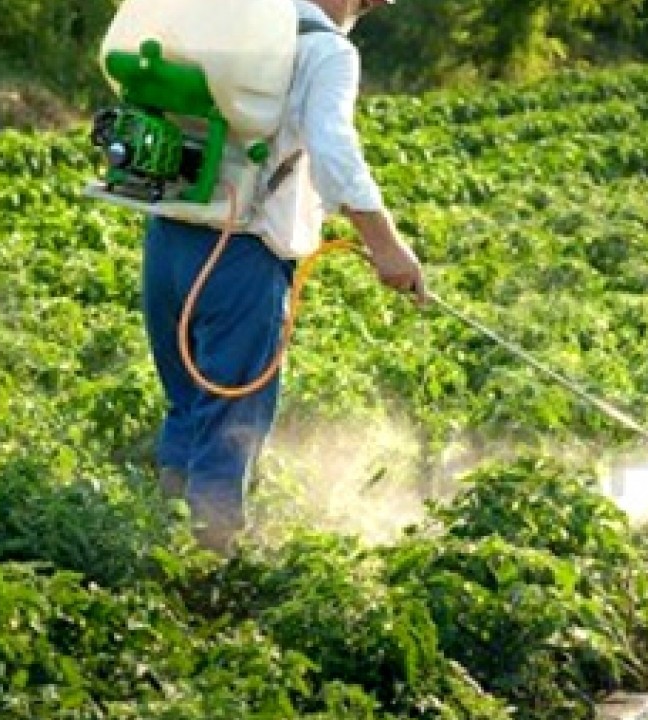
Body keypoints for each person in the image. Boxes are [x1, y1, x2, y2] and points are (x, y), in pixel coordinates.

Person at [142, 0, 426, 554]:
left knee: (187, 409)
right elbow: (334, 150)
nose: (366, 11)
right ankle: (208, 569)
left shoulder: (226, 17)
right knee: (229, 427)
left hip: (168, 241)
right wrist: (386, 246)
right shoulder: (324, 50)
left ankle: (158, 545)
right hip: (239, 256)